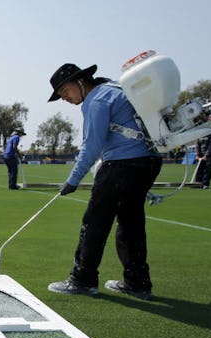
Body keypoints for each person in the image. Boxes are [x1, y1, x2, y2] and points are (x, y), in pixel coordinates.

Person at [45, 62, 163, 300]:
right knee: (131, 223)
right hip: (148, 162)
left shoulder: (97, 100)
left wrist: (73, 180)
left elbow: (91, 145)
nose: (65, 98)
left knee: (95, 223)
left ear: (80, 82)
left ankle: (82, 279)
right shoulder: (115, 89)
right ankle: (137, 283)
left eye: (65, 92)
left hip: (121, 165)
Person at [196, 116, 211, 189]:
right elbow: (197, 144)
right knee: (199, 169)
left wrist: (206, 155)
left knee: (208, 169)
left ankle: (205, 184)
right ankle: (197, 183)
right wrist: (197, 154)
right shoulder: (200, 133)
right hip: (201, 155)